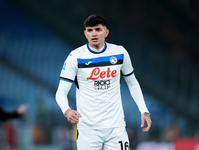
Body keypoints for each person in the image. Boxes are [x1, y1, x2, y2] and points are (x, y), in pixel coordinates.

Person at [56, 14, 152, 150]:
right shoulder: (75, 57)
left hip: (116, 128)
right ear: (85, 33)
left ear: (106, 32)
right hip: (88, 130)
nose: (94, 34)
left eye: (98, 30)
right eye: (90, 30)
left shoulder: (120, 53)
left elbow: (132, 83)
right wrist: (67, 110)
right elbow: (61, 91)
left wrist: (144, 111)